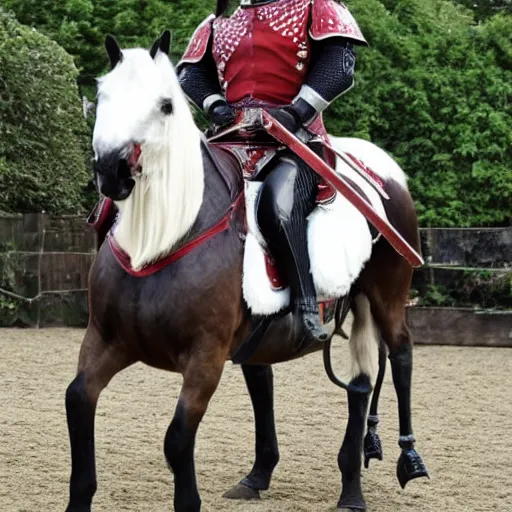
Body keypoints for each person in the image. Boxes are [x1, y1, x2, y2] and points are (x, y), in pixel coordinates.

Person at [177, 0, 367, 350]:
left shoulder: (316, 6)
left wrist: (297, 112)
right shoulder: (218, 21)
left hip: (296, 141)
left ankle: (306, 302)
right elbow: (191, 74)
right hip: (229, 140)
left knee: (276, 207)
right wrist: (216, 106)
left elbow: (338, 65)